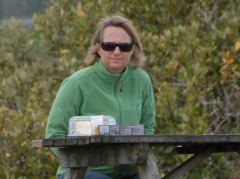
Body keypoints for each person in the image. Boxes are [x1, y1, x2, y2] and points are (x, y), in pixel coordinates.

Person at [45, 14, 156, 179]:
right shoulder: (77, 83)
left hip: (132, 172)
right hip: (84, 172)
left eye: (124, 46)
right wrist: (79, 161)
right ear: (98, 48)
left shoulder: (142, 80)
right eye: (109, 45)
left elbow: (148, 128)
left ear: (133, 49)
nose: (117, 51)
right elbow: (54, 134)